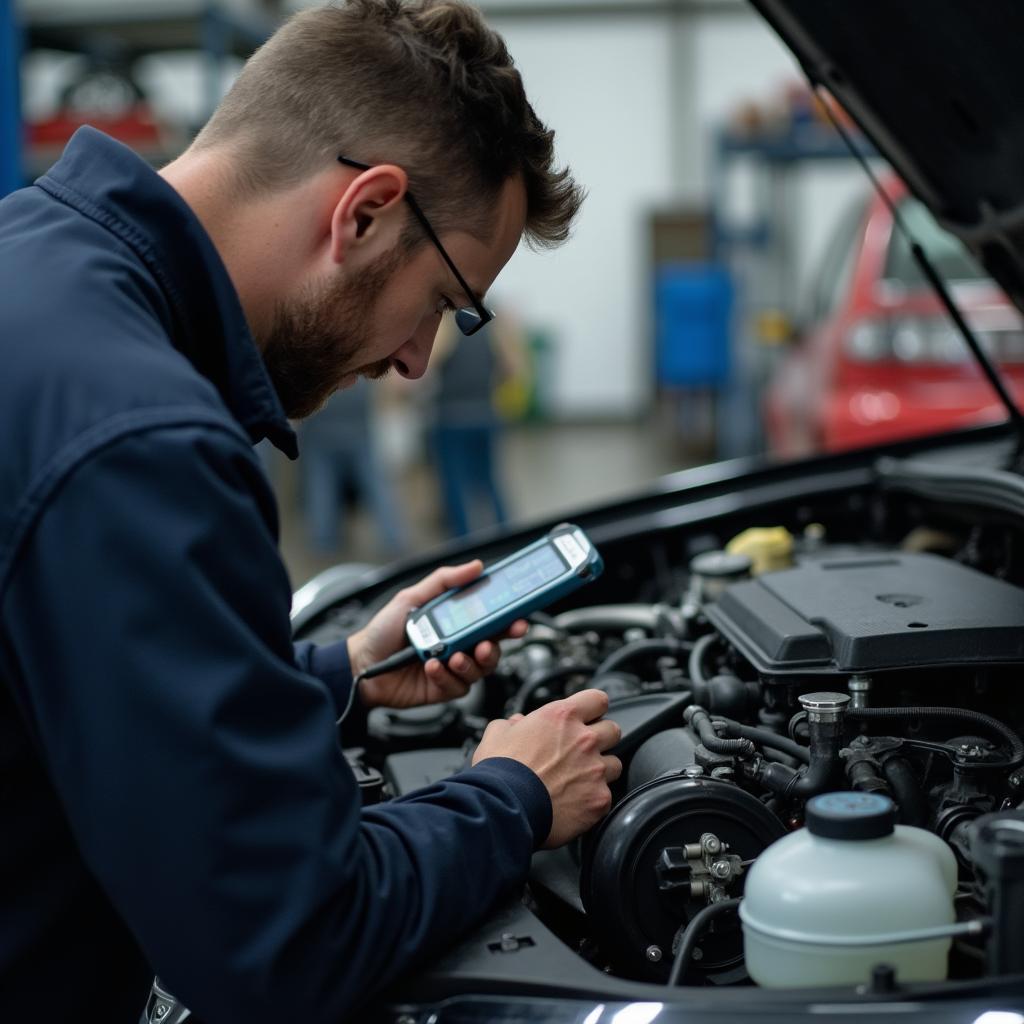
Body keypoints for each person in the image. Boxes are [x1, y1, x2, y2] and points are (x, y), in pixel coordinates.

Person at [0, 3, 620, 1023]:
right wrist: (510, 793)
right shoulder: (146, 439)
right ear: (365, 211)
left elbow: (77, 689)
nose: (420, 359)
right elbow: (283, 944)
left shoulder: (38, 267)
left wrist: (344, 676)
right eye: (445, 300)